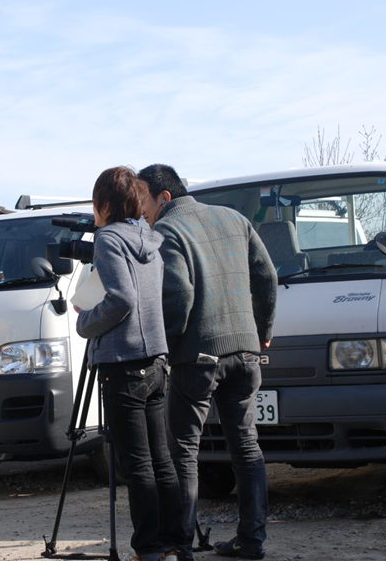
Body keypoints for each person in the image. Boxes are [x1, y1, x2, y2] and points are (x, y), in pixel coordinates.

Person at [138, 164, 277, 561]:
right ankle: (251, 542)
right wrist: (263, 328)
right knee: (246, 446)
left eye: (143, 200)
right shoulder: (235, 219)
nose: (141, 210)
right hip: (247, 351)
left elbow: (178, 297)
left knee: (183, 449)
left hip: (197, 357)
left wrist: (165, 347)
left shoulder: (167, 230)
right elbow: (266, 275)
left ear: (164, 197)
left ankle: (180, 545)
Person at [74, 166, 184, 561]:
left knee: (138, 465)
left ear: (104, 203)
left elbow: (120, 299)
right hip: (156, 360)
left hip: (123, 362)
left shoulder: (107, 239)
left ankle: (149, 549)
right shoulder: (150, 238)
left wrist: (85, 321)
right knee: (161, 459)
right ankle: (175, 542)